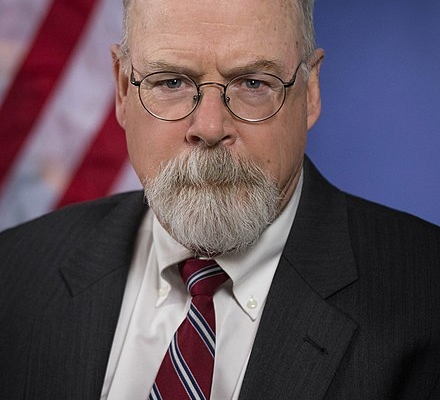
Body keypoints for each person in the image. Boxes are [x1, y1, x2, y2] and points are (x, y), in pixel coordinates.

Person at [1, 0, 439, 399]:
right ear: (121, 89)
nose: (209, 128)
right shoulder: (13, 274)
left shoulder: (426, 295)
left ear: (310, 93)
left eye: (253, 83)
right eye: (171, 81)